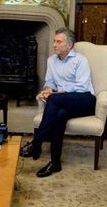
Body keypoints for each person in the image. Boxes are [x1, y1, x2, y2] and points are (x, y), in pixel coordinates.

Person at [20, 27, 96, 177]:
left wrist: (59, 93)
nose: (54, 44)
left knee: (54, 99)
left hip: (85, 100)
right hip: (62, 101)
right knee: (60, 114)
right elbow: (50, 82)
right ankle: (55, 162)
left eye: (59, 41)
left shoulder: (80, 61)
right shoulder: (51, 61)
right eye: (54, 41)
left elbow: (81, 86)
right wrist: (48, 90)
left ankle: (36, 143)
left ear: (69, 45)